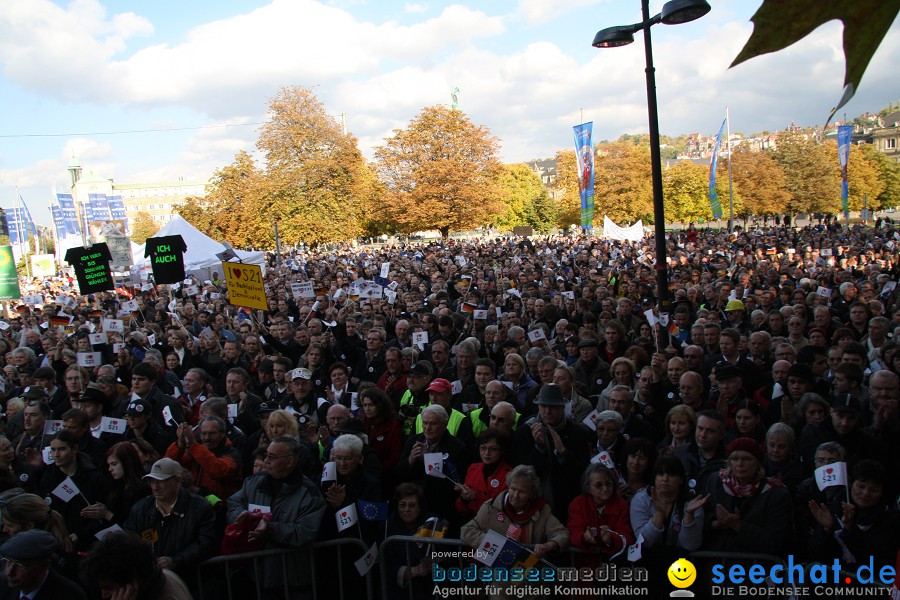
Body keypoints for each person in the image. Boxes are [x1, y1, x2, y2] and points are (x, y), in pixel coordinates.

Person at [227, 435, 327, 598]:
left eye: (272, 457)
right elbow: (234, 503)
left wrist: (269, 529)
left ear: (289, 462)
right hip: (256, 574)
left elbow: (305, 532)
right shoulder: (253, 482)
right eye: (266, 455)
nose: (266, 461)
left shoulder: (310, 493)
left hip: (292, 578)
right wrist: (240, 516)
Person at [124, 457, 218, 586]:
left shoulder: (200, 507)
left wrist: (175, 561)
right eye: (152, 481)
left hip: (193, 581)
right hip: (154, 582)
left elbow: (206, 543)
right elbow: (130, 540)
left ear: (177, 480)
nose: (155, 487)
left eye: (161, 481)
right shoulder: (140, 509)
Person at [629, 455, 707, 598]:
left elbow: (690, 545)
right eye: (660, 474)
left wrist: (688, 515)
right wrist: (659, 514)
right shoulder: (641, 499)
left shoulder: (692, 504)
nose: (665, 479)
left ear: (681, 480)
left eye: (671, 474)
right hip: (647, 570)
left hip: (681, 571)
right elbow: (644, 541)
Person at [512, 383, 591, 524]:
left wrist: (563, 454)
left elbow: (582, 474)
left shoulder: (577, 434)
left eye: (553, 407)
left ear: (562, 407)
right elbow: (520, 473)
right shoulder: (525, 431)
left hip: (564, 507)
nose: (547, 411)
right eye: (543, 406)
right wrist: (539, 448)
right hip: (531, 506)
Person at [703, 437, 792, 555]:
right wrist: (715, 524)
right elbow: (704, 516)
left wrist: (738, 526)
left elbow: (775, 540)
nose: (740, 464)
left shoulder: (776, 493)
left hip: (756, 567)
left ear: (758, 463)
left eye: (747, 459)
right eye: (735, 459)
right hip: (716, 562)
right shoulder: (715, 482)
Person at [460, 465, 569, 559]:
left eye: (522, 492)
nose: (516, 495)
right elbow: (466, 531)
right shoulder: (491, 507)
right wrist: (496, 544)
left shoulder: (541, 509)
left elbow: (562, 533)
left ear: (532, 494)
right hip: (499, 578)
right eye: (513, 489)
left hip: (531, 577)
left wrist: (548, 545)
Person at [37, 429, 110, 551]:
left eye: (62, 449)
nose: (56, 455)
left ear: (74, 449)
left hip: (86, 544)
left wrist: (80, 535)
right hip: (56, 541)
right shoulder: (49, 476)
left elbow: (100, 515)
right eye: (53, 450)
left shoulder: (93, 477)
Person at [81, 531, 192, 600]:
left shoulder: (168, 596)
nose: (104, 595)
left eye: (109, 588)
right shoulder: (162, 575)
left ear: (133, 581)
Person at [568, 463, 634, 568]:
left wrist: (611, 539)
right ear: (588, 487)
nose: (605, 488)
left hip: (613, 565)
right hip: (585, 566)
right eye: (599, 485)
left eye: (608, 484)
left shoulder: (621, 505)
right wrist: (584, 537)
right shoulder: (577, 504)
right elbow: (573, 534)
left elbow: (627, 537)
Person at [165, 415, 242, 500]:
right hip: (193, 503)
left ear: (223, 434)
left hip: (220, 507)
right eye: (203, 433)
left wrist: (193, 445)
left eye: (212, 433)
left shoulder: (232, 454)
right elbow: (167, 466)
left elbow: (218, 470)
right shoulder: (194, 451)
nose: (207, 438)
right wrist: (179, 444)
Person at [0, 529, 86, 600]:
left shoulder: (70, 595)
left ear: (44, 565)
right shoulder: (3, 585)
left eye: (20, 565)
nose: (9, 572)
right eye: (7, 562)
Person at [80, 441, 151, 525]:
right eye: (109, 465)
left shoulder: (143, 488)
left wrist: (107, 514)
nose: (110, 469)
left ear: (127, 462)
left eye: (114, 464)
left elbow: (135, 524)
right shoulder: (117, 486)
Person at [454, 429, 512, 519]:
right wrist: (464, 499)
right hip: (471, 522)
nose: (487, 453)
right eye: (483, 448)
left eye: (493, 449)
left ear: (502, 451)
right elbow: (460, 510)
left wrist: (476, 498)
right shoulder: (473, 469)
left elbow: (506, 512)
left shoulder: (509, 475)